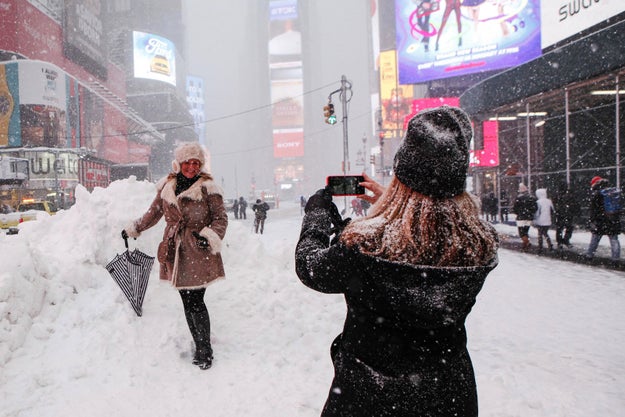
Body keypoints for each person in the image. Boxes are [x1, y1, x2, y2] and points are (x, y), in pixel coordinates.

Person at [295, 106, 499, 417]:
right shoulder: (475, 244)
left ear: (402, 176)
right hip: (448, 395)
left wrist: (317, 216)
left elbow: (310, 267)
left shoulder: (364, 247)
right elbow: (427, 235)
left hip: (370, 396)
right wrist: (391, 206)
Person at [121, 142, 228, 370]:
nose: (191, 167)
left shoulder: (208, 187)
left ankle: (204, 349)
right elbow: (154, 213)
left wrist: (208, 236)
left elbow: (220, 218)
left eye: (195, 163)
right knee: (187, 301)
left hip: (198, 250)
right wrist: (135, 227)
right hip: (174, 249)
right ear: (179, 164)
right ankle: (199, 342)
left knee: (196, 300)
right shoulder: (168, 186)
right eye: (187, 162)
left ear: (200, 165)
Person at [586, 176, 621, 259]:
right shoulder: (613, 192)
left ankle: (589, 256)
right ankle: (615, 259)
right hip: (613, 219)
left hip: (601, 220)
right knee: (614, 239)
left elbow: (594, 209)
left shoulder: (597, 194)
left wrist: (592, 220)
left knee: (595, 238)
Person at [512, 183, 536, 249]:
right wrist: (530, 213)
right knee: (525, 232)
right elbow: (535, 207)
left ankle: (527, 242)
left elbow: (515, 208)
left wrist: (518, 213)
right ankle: (525, 245)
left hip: (521, 218)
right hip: (529, 217)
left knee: (521, 233)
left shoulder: (518, 198)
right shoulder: (532, 198)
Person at [533, 188, 555, 252]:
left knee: (540, 234)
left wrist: (535, 219)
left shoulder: (538, 202)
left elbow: (537, 212)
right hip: (548, 220)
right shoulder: (549, 201)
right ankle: (550, 245)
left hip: (540, 220)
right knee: (545, 233)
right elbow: (552, 210)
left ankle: (540, 247)